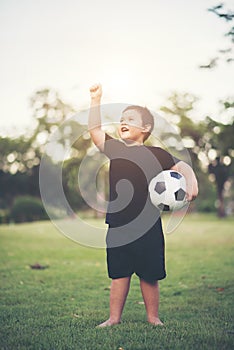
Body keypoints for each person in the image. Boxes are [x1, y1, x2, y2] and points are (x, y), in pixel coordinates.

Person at [88, 83, 198, 327]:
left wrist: (192, 182)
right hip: (118, 225)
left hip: (148, 224)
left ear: (145, 128)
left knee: (149, 275)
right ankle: (114, 318)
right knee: (119, 274)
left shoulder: (157, 154)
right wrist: (96, 100)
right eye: (121, 119)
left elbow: (181, 166)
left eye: (130, 118)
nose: (122, 122)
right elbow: (95, 130)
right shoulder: (115, 148)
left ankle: (153, 317)